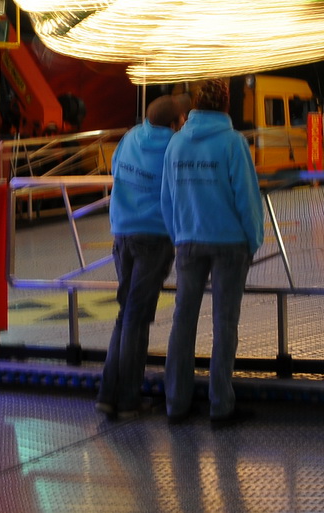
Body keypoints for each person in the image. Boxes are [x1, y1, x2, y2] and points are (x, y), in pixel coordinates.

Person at [161, 77, 264, 428]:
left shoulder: (176, 144)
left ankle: (176, 402)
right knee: (224, 323)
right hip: (228, 244)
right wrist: (254, 239)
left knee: (183, 321)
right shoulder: (232, 144)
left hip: (188, 241)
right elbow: (246, 199)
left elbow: (168, 199)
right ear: (225, 105)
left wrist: (179, 236)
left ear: (193, 105)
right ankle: (220, 404)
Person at [96, 93, 186, 420]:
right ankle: (127, 400)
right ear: (176, 123)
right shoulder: (175, 149)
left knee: (127, 314)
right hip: (153, 238)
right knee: (136, 316)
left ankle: (109, 394)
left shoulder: (131, 137)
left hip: (122, 233)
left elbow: (115, 166)